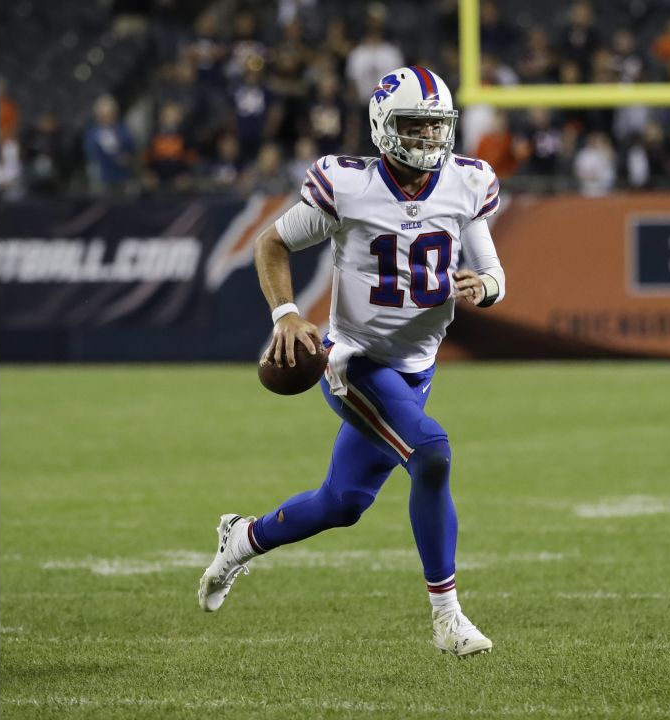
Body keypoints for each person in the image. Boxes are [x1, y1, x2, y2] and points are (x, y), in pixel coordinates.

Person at [198, 66, 506, 659]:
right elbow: (271, 242)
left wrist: (486, 287)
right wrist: (286, 313)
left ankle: (241, 538)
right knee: (432, 454)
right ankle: (448, 617)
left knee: (343, 504)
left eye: (436, 127)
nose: (427, 139)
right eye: (414, 127)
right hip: (353, 362)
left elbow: (493, 272)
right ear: (383, 126)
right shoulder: (348, 185)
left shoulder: (467, 182)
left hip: (416, 368)